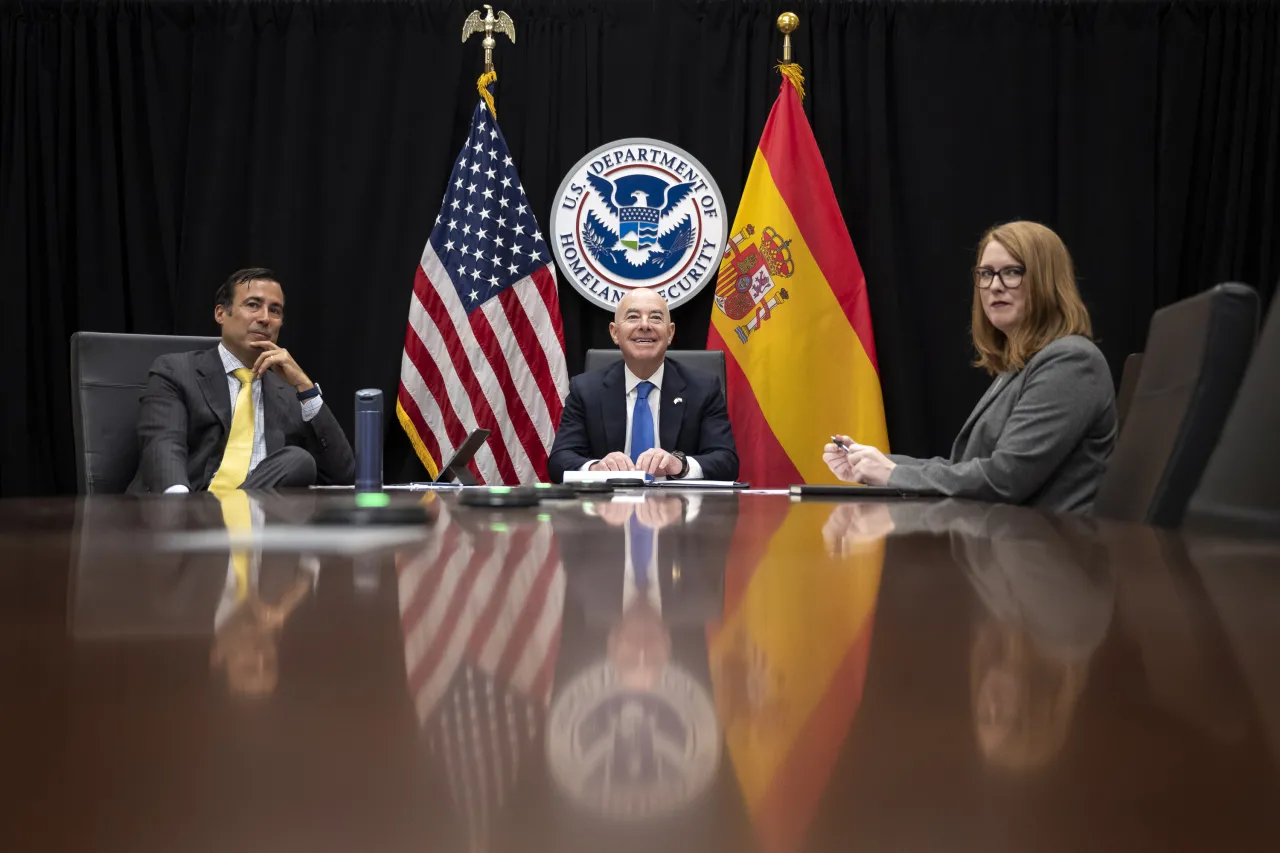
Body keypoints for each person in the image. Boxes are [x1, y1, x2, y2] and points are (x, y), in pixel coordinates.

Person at [823, 221, 1116, 513]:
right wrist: (873, 464)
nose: (995, 285)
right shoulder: (1022, 364)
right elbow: (962, 469)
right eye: (986, 274)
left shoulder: (1071, 361)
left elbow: (1005, 479)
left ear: (1046, 280)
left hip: (1044, 550)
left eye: (1012, 272)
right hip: (1000, 542)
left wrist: (891, 474)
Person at [130, 268, 355, 493]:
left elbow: (343, 475)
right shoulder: (176, 371)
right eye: (253, 305)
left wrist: (306, 388)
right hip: (188, 508)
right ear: (220, 314)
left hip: (257, 519)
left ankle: (228, 517)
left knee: (298, 460)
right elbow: (164, 445)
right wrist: (181, 509)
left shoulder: (288, 392)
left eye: (274, 310)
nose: (265, 318)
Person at [547, 287, 738, 483]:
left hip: (678, 507)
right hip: (609, 508)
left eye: (655, 318)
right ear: (614, 332)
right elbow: (559, 460)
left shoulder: (703, 388)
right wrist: (596, 468)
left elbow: (726, 461)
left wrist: (681, 465)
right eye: (632, 317)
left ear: (670, 332)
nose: (645, 325)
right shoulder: (586, 390)